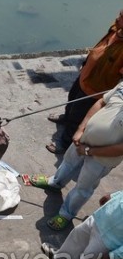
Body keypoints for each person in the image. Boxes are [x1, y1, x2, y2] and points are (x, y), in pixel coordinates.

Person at [30, 80, 123, 231]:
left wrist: (89, 151)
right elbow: (101, 102)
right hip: (82, 139)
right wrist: (81, 129)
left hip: (102, 158)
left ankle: (66, 214)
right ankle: (55, 182)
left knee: (83, 188)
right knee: (67, 163)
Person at [48, 9, 123, 154]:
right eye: (120, 14)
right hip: (84, 76)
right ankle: (65, 117)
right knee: (71, 101)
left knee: (78, 116)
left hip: (96, 88)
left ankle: (64, 143)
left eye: (122, 17)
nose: (117, 18)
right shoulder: (115, 29)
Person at [42, 191, 123, 259]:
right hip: (100, 217)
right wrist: (113, 196)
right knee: (76, 238)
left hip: (111, 241)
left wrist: (116, 256)